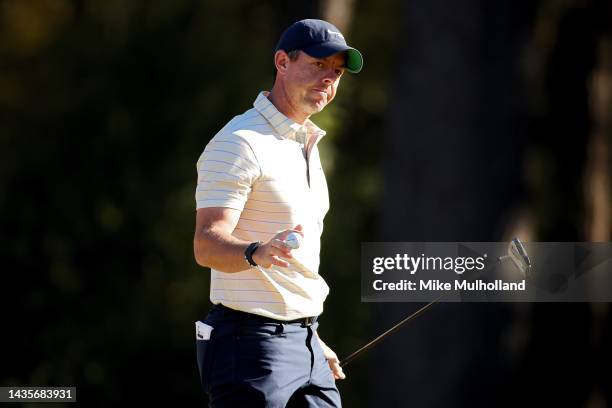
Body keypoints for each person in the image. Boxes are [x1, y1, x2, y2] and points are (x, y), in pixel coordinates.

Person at [193, 18, 363, 407]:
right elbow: (206, 244)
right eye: (318, 65)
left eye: (336, 72)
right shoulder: (240, 142)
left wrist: (310, 339)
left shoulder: (306, 143)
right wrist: (255, 253)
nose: (328, 80)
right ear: (282, 62)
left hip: (305, 344)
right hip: (248, 347)